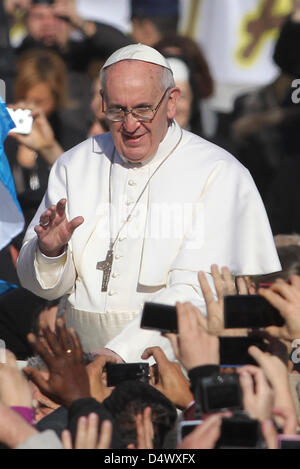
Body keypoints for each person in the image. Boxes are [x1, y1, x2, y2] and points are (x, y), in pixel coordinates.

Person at [17, 43, 281, 363]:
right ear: (102, 103)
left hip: (166, 362)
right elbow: (42, 287)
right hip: (78, 361)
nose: (130, 125)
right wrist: (50, 252)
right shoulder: (75, 165)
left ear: (171, 103)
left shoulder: (219, 174)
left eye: (143, 109)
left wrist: (119, 353)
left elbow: (196, 293)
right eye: (117, 110)